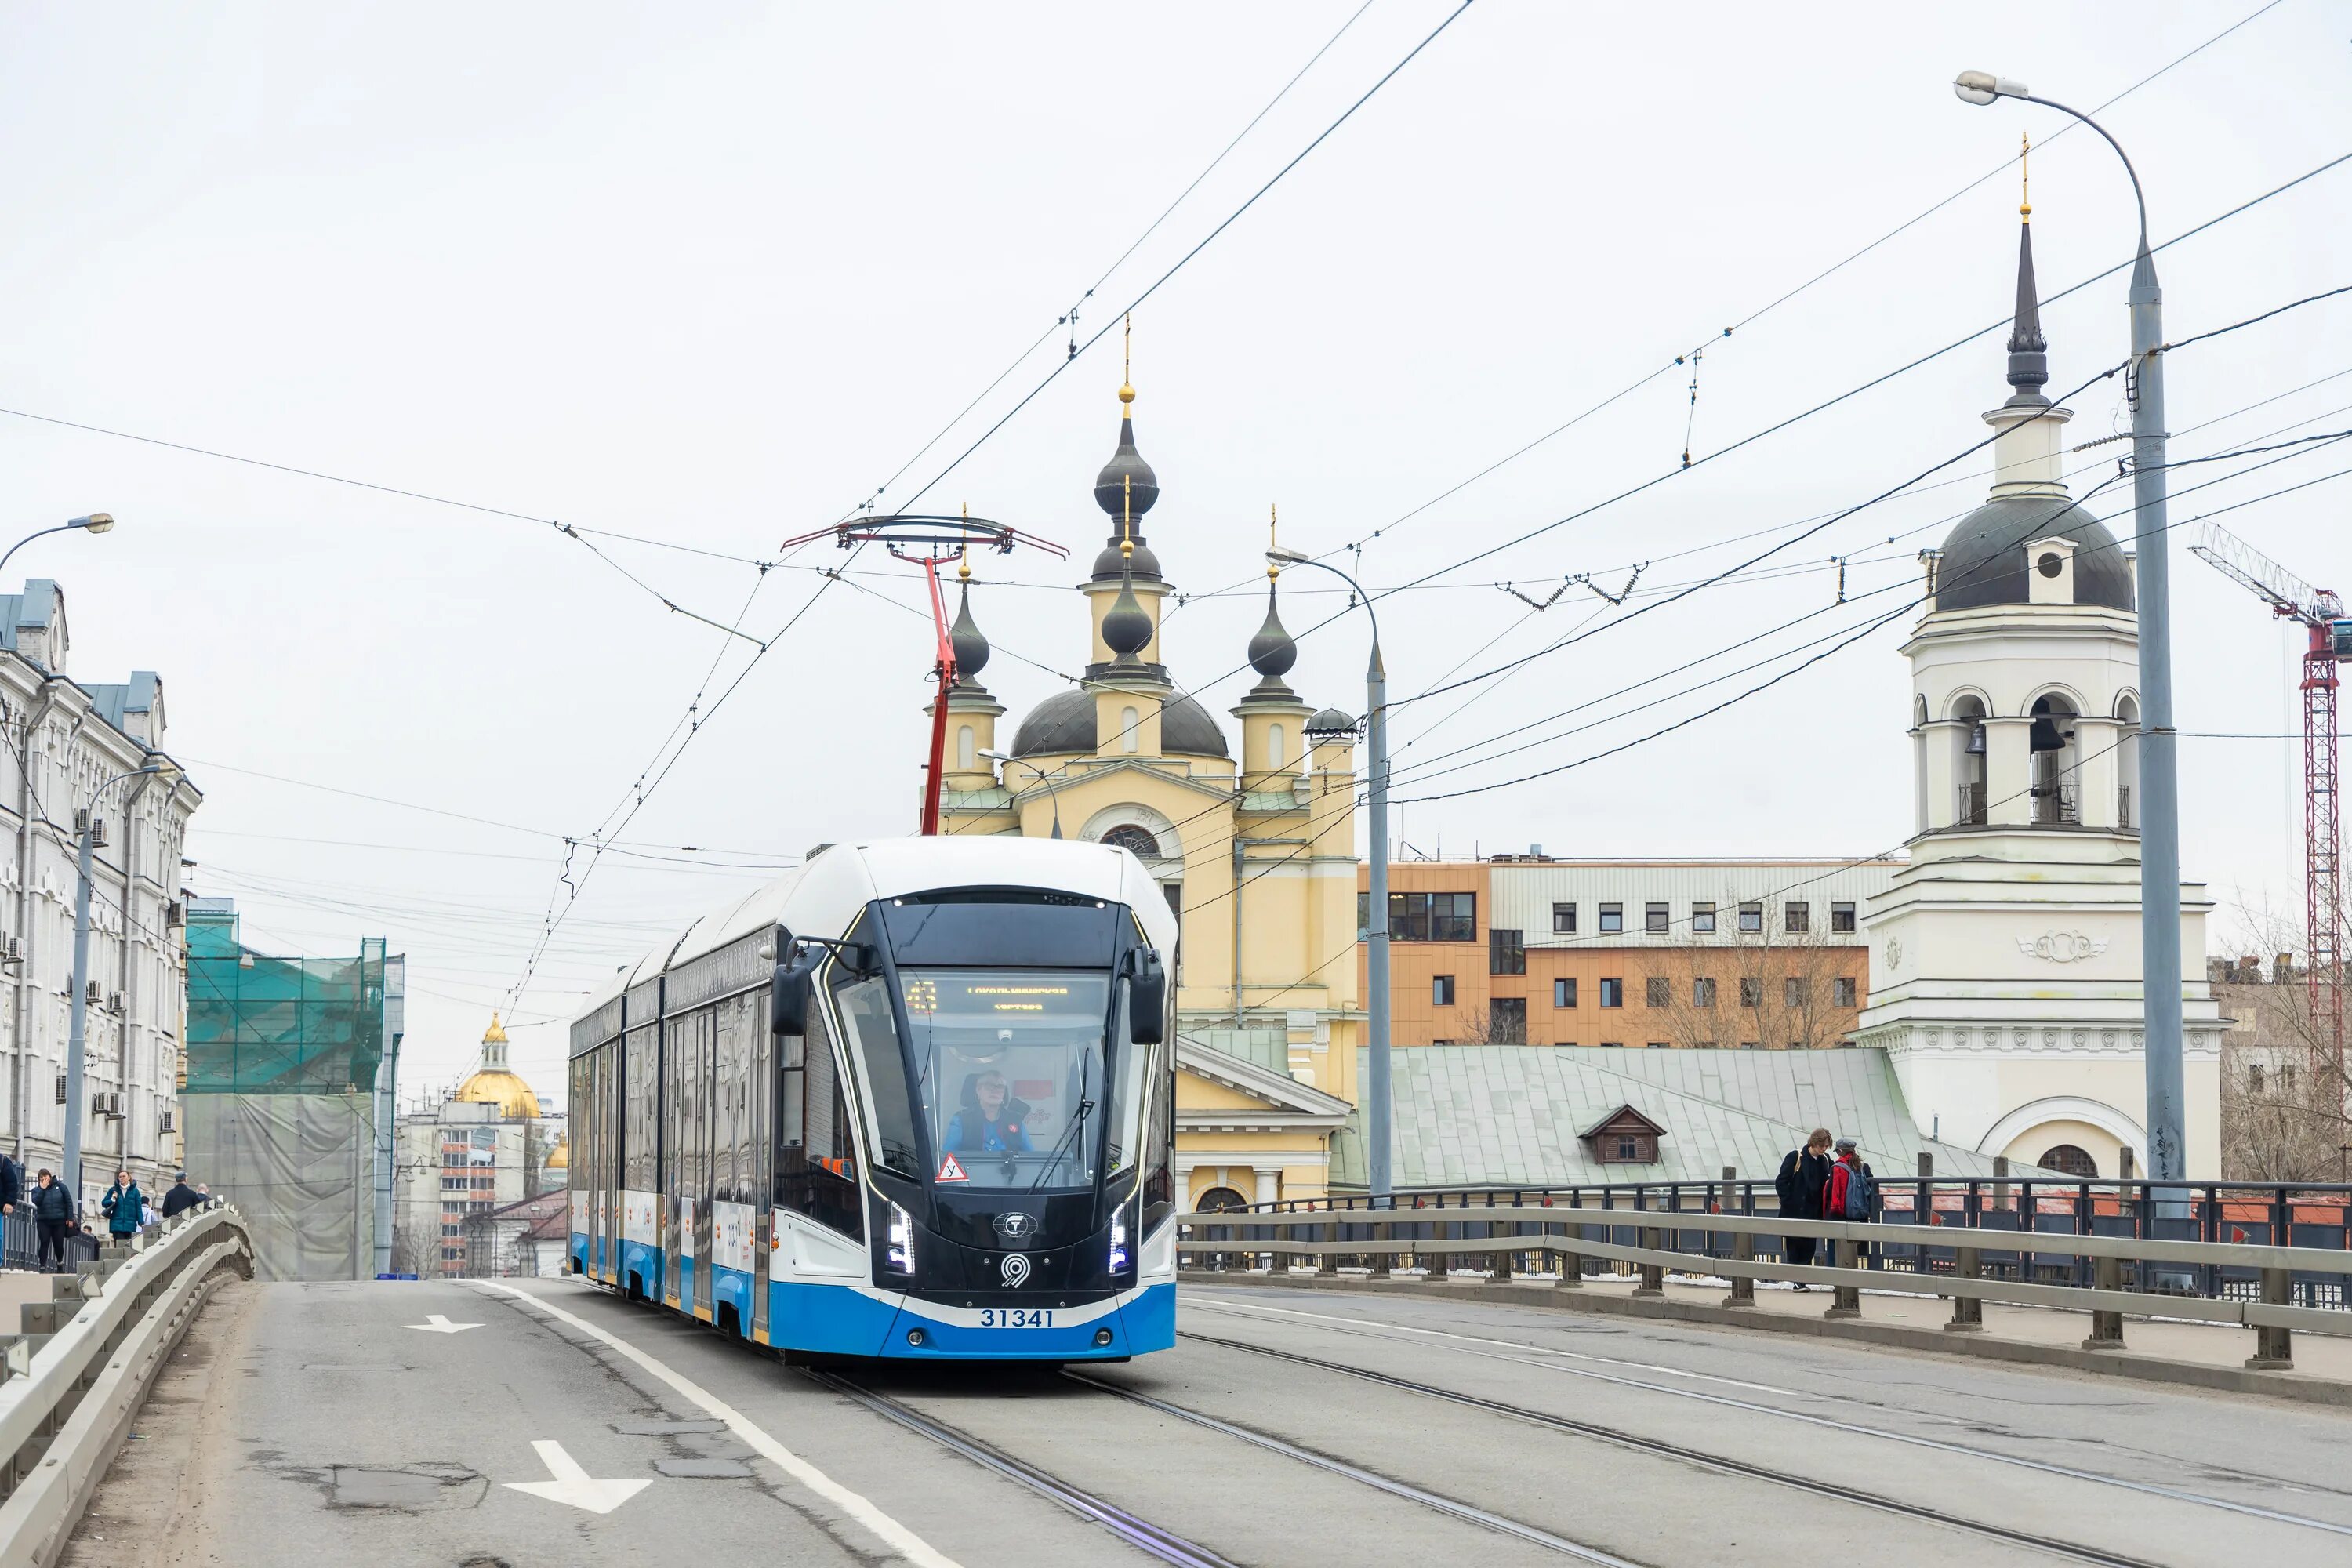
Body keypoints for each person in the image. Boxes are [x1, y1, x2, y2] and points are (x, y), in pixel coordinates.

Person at [1774, 1129, 1834, 1287]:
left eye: (1826, 1146)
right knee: (1795, 1247)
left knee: (1809, 1247)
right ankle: (1797, 1281)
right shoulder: (1796, 1156)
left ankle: (1801, 1280)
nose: (1824, 1149)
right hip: (1795, 1212)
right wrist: (1789, 1202)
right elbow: (1781, 1181)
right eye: (1822, 1145)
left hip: (1813, 1211)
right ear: (1813, 1142)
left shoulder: (1825, 1160)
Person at [942, 1071, 1032, 1153]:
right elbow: (948, 1158)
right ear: (978, 1090)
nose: (995, 1090)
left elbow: (1030, 1157)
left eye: (1000, 1087)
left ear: (1004, 1093)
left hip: (1010, 1171)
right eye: (989, 1086)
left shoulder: (1016, 1121)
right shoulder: (961, 1120)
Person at [1824, 1138, 1878, 1264]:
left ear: (1841, 1151)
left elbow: (1830, 1193)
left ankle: (1833, 1276)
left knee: (1833, 1245)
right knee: (1856, 1251)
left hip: (1838, 1215)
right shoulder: (1864, 1168)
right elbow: (1872, 1192)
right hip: (1858, 1215)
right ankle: (1856, 1276)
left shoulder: (1836, 1168)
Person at [31, 1170, 72, 1272]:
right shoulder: (36, 1190)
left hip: (59, 1221)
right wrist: (43, 1189)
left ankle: (60, 1263)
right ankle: (42, 1266)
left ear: (50, 1177)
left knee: (58, 1244)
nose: (43, 1178)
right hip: (43, 1220)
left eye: (45, 1176)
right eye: (41, 1177)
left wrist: (70, 1218)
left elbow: (69, 1202)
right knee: (44, 1242)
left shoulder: (61, 1187)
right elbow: (36, 1202)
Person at [100, 1168, 143, 1243]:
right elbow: (104, 1203)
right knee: (119, 1246)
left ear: (129, 1178)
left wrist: (141, 1222)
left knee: (128, 1247)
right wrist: (113, 1199)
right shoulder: (113, 1190)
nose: (122, 1178)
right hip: (117, 1224)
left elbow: (138, 1208)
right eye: (120, 1177)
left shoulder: (135, 1191)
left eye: (124, 1176)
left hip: (130, 1224)